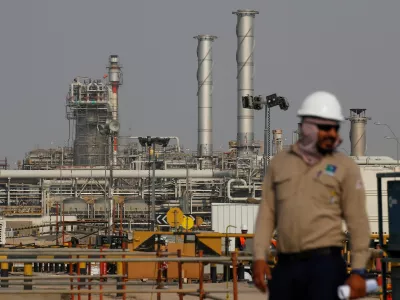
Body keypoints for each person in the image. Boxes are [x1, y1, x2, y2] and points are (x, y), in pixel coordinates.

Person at [252, 91, 371, 300]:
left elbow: (358, 222)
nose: (332, 134)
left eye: (334, 128)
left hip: (325, 267)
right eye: (325, 128)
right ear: (306, 127)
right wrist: (259, 257)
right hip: (286, 266)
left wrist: (359, 271)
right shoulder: (280, 164)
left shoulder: (345, 167)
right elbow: (267, 214)